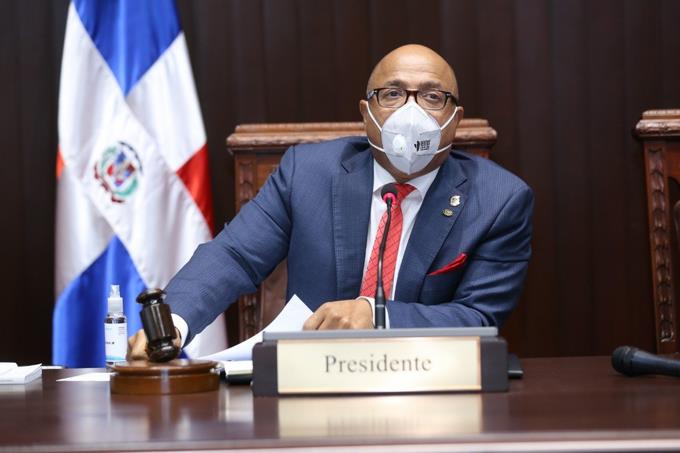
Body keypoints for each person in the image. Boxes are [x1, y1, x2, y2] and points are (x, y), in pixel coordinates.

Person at [128, 44, 533, 358]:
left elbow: (478, 316)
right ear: (366, 113)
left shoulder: (499, 200)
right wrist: (173, 321)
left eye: (432, 96)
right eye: (392, 94)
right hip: (310, 382)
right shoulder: (307, 173)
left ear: (455, 119)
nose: (411, 111)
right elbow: (236, 256)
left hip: (430, 388)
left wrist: (378, 316)